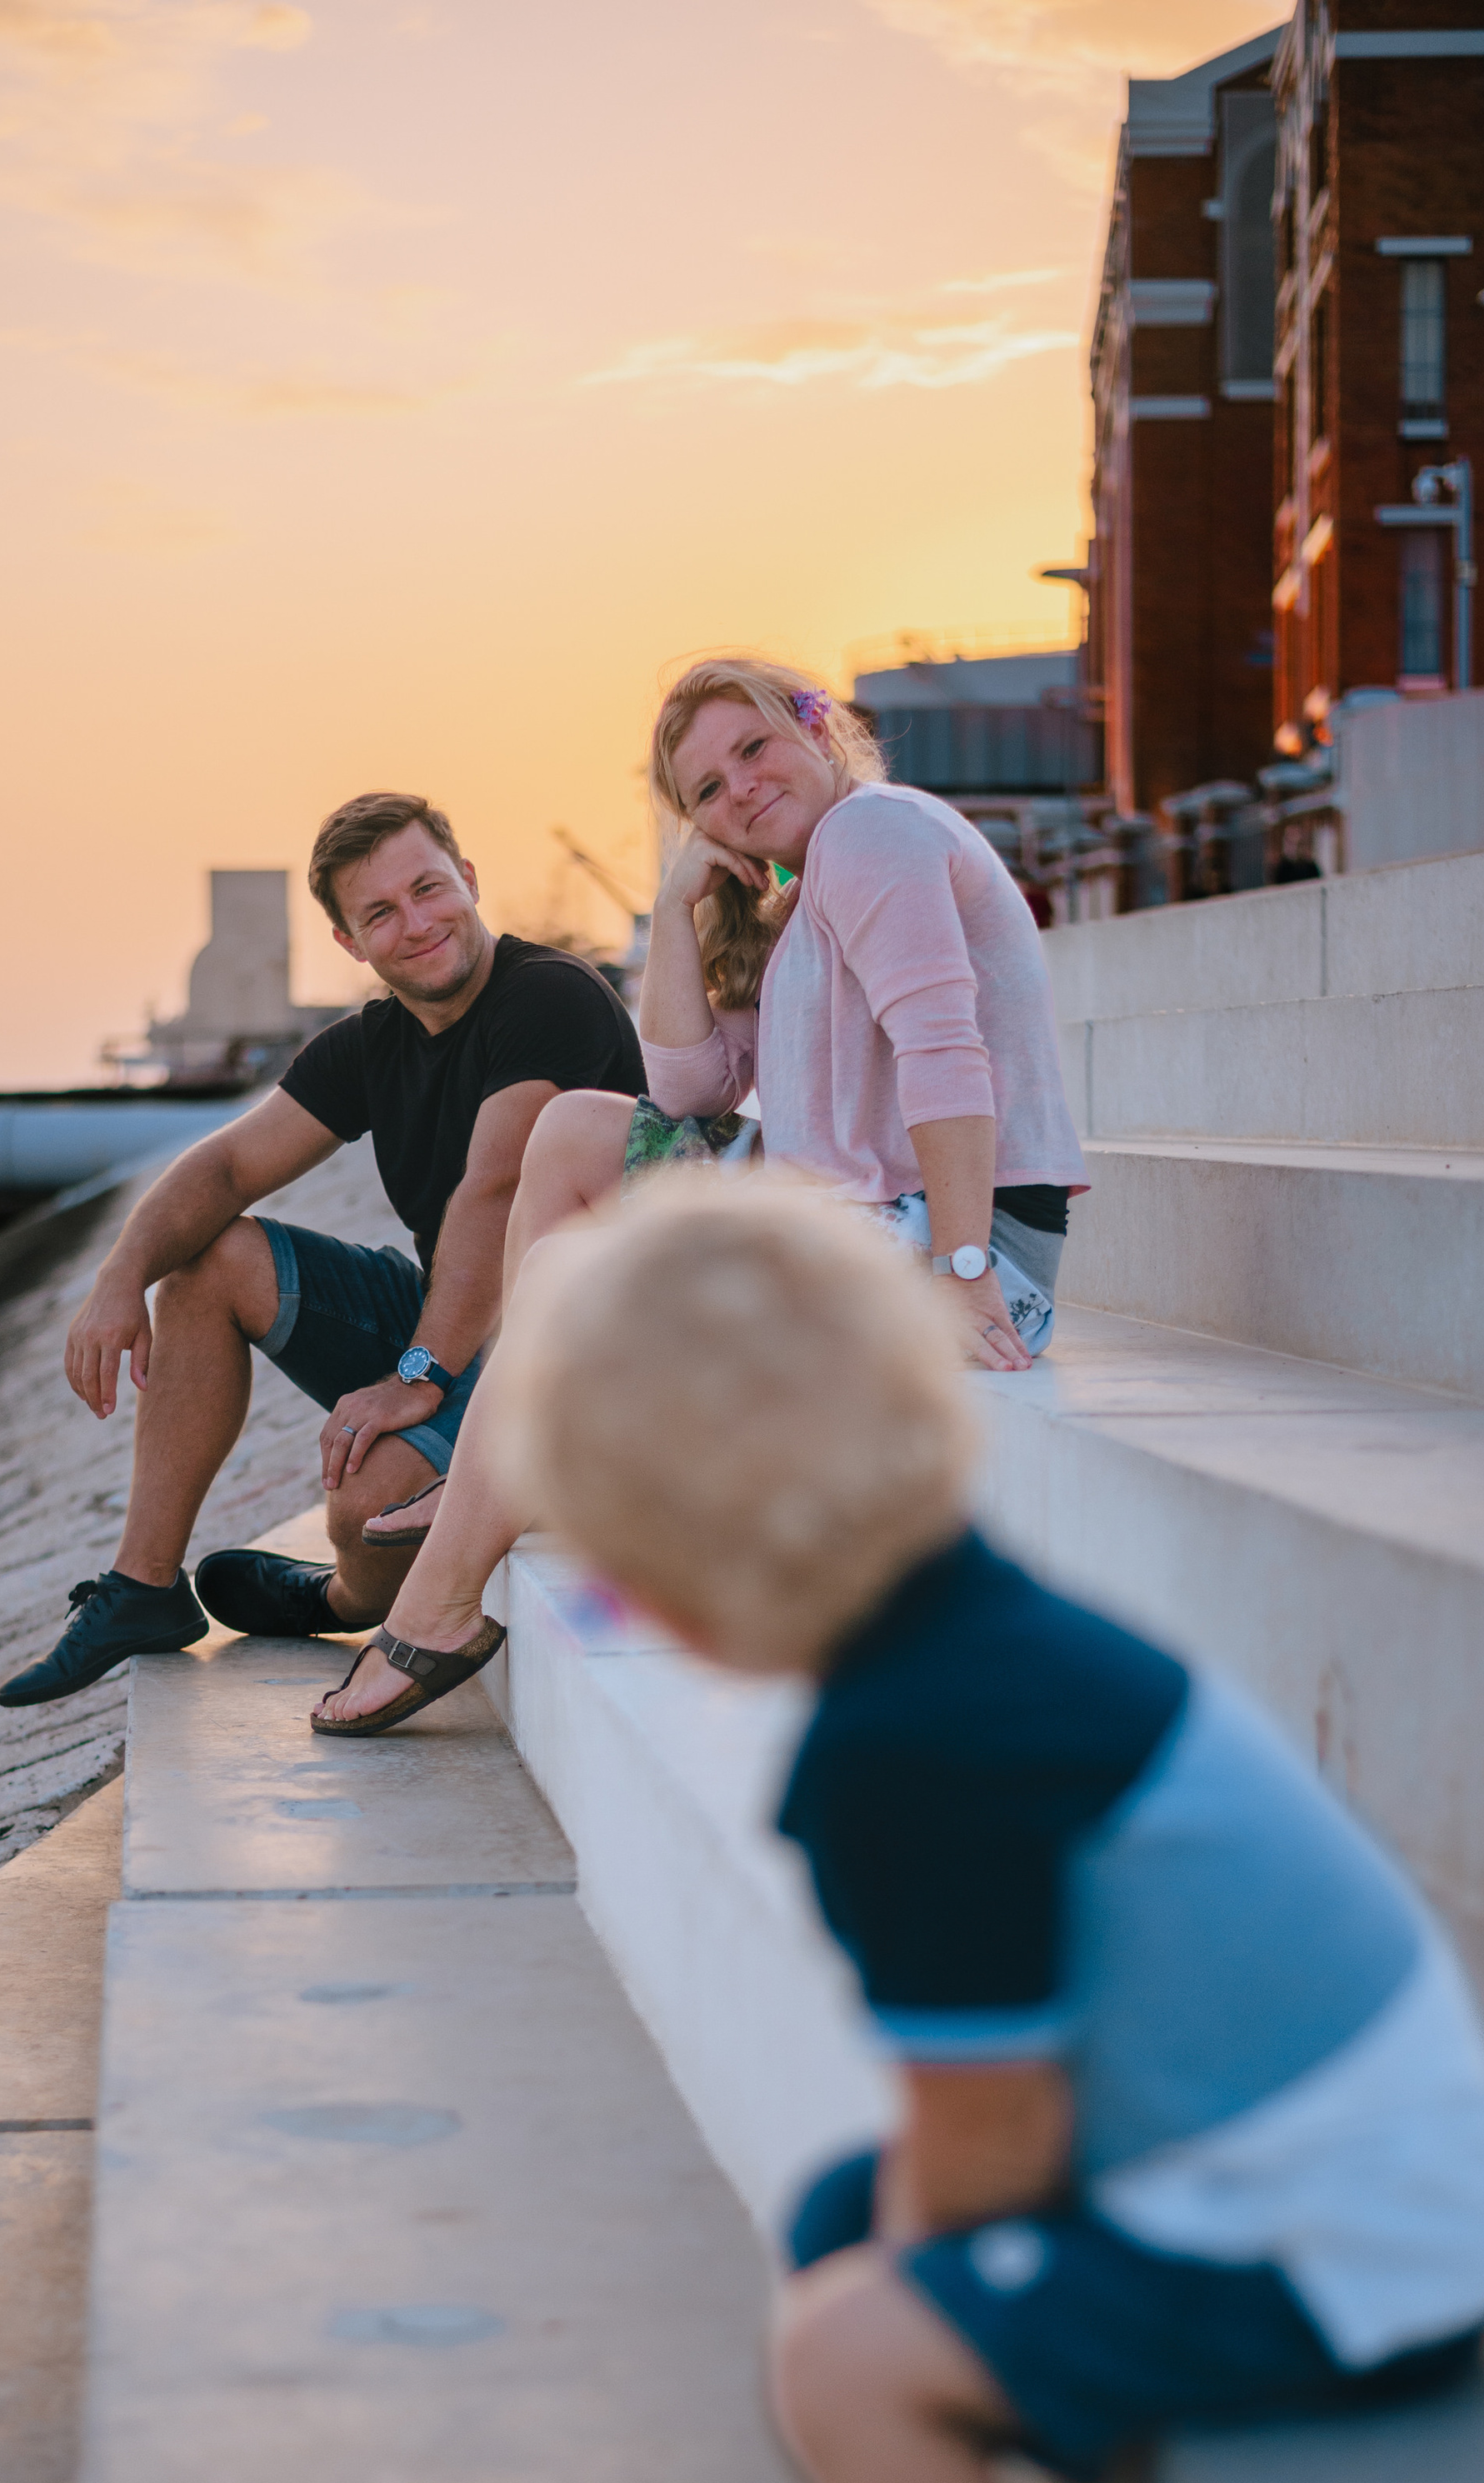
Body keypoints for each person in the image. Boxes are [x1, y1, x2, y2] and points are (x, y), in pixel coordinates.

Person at [484, 1172, 1484, 2483]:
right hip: (1326, 2165)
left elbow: (988, 2145)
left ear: (704, 1552)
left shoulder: (913, 1749)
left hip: (1346, 2248)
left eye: (615, 1561)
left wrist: (893, 2316)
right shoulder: (956, 1621)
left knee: (850, 2354)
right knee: (843, 2216)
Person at [310, 653, 1085, 1736]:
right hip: (862, 1208)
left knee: (571, 1260)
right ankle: (518, 1452)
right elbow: (681, 1091)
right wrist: (679, 904)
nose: (741, 791)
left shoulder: (875, 835)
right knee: (576, 1129)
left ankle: (444, 1590)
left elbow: (945, 1051)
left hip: (962, 1240)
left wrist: (961, 1270)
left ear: (815, 723)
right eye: (707, 790)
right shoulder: (805, 884)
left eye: (753, 749)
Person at [0, 792, 642, 1708]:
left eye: (428, 888)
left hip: (565, 1351)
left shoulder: (549, 997)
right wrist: (117, 1278)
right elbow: (225, 1167)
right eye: (381, 912)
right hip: (452, 1314)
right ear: (351, 942)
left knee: (368, 1511)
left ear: (468, 879)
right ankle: (142, 1589)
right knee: (206, 1261)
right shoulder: (371, 1044)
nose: (417, 923)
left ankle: (337, 1599)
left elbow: (493, 1194)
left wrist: (417, 1373)